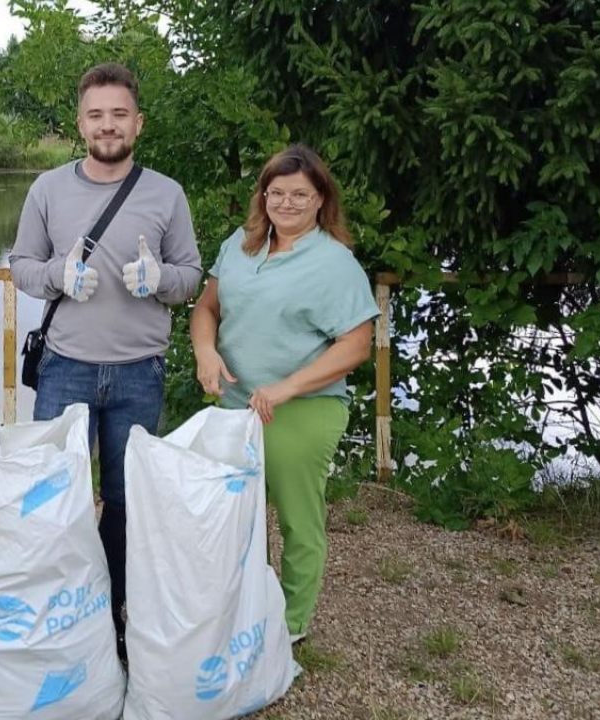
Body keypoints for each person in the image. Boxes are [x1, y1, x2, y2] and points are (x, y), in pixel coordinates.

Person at [9, 63, 202, 660]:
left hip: (139, 372)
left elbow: (191, 276)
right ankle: (58, 611)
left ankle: (114, 610)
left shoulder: (166, 193)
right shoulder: (47, 189)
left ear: (138, 123)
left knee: (124, 499)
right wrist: (55, 276)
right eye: (96, 115)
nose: (108, 125)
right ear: (79, 122)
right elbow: (20, 265)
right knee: (58, 494)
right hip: (66, 366)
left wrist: (160, 279)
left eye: (119, 114)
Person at [190, 144, 378, 644]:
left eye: (301, 194)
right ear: (263, 195)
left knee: (297, 518)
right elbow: (206, 308)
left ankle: (289, 626)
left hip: (302, 406)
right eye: (277, 192)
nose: (287, 203)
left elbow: (358, 345)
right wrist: (206, 353)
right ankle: (245, 605)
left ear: (320, 200)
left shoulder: (334, 262)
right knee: (234, 515)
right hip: (235, 403)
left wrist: (287, 387)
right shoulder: (241, 243)